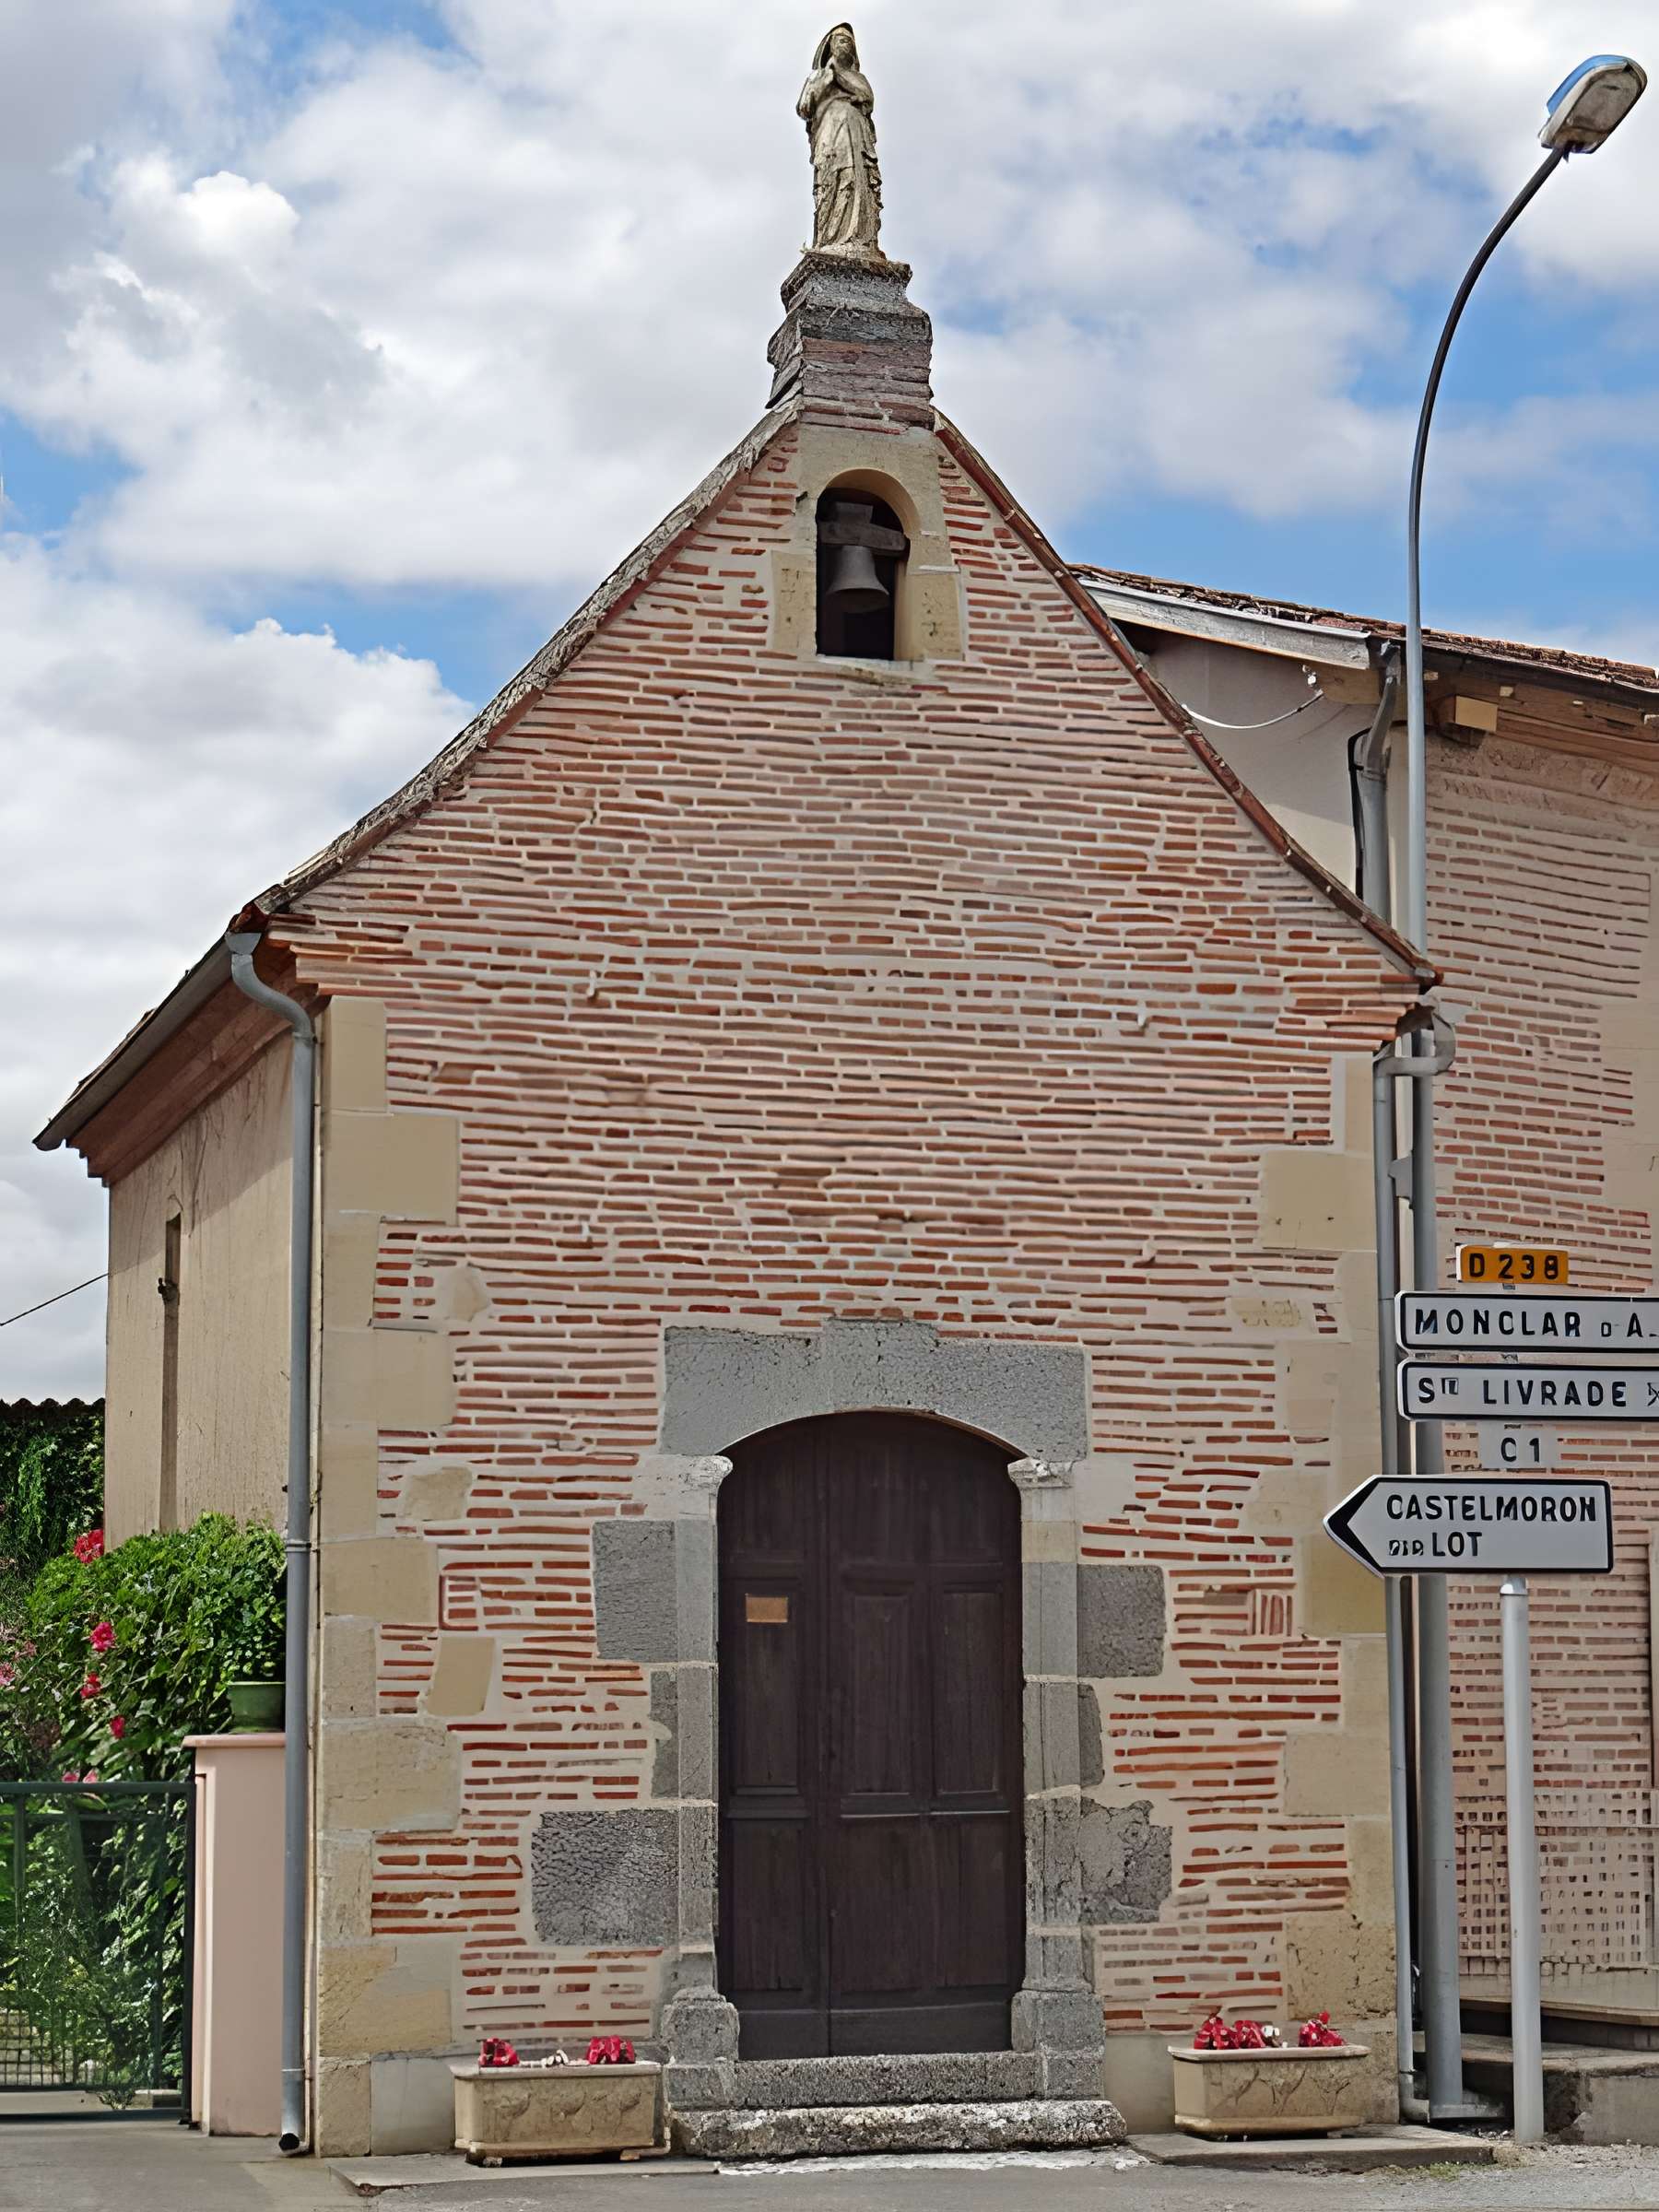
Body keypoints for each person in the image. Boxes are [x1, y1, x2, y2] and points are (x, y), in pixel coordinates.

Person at [797, 24, 883, 255]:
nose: (846, 44)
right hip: (829, 131)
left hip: (856, 132)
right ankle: (828, 238)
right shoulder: (818, 77)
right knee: (831, 179)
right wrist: (827, 79)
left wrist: (840, 78)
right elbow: (805, 107)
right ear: (830, 46)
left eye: (849, 42)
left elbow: (867, 97)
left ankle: (859, 238)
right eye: (841, 40)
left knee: (855, 178)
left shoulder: (859, 78)